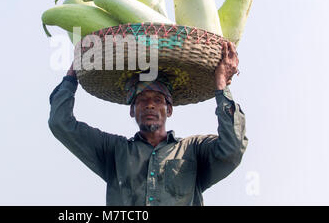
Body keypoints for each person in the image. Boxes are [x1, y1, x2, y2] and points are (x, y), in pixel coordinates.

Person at [48, 41, 248, 206]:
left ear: (169, 109)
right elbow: (60, 123)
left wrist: (221, 84)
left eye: (158, 100)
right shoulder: (114, 152)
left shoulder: (193, 151)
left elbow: (233, 148)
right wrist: (72, 74)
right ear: (132, 110)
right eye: (142, 100)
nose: (150, 105)